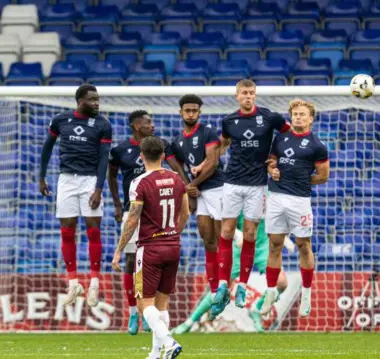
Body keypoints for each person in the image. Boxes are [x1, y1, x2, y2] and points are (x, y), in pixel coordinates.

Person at [213, 79, 291, 316]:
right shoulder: (228, 121)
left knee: (249, 234)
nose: (248, 96)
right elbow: (223, 144)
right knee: (226, 232)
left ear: (255, 95)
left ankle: (243, 286)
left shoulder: (269, 117)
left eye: (251, 93)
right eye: (244, 93)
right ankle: (223, 285)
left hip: (257, 185)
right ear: (236, 96)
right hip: (232, 182)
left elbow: (288, 135)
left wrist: (275, 157)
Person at [108, 109, 188, 335]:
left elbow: (134, 219)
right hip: (139, 215)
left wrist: (116, 250)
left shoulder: (142, 178)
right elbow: (111, 176)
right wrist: (116, 203)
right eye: (148, 122)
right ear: (135, 126)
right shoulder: (120, 150)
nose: (152, 125)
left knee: (149, 299)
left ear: (144, 156)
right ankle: (134, 314)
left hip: (145, 223)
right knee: (132, 263)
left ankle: (159, 332)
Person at [39, 84, 112, 307]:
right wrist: (41, 177)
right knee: (66, 231)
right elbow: (47, 148)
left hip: (90, 180)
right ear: (80, 101)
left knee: (93, 230)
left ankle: (94, 284)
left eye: (98, 99)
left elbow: (103, 159)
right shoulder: (60, 120)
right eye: (92, 99)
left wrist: (99, 188)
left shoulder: (103, 125)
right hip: (67, 179)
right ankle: (73, 283)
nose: (97, 103)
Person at [260, 99, 329, 317]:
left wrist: (302, 181)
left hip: (299, 201)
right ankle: (270, 292)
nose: (297, 117)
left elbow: (323, 176)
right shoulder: (280, 139)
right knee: (274, 245)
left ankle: (306, 293)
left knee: (303, 245)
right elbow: (270, 162)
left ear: (311, 119)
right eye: (295, 114)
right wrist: (272, 171)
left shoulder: (317, 146)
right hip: (276, 198)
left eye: (302, 114)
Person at [172, 213, 290, 334]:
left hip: (262, 245)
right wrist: (237, 235)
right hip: (240, 246)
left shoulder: (269, 194)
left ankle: (256, 308)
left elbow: (274, 215)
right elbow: (224, 223)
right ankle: (189, 323)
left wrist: (282, 237)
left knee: (281, 283)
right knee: (220, 288)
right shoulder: (237, 196)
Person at [170, 94, 226, 300]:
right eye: (187, 110)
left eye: (195, 110)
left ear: (199, 112)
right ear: (181, 112)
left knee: (222, 240)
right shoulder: (177, 141)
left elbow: (213, 163)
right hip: (200, 194)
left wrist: (191, 186)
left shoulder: (207, 132)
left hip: (217, 188)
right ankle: (213, 291)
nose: (191, 113)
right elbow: (176, 165)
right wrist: (188, 188)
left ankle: (225, 284)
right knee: (208, 241)